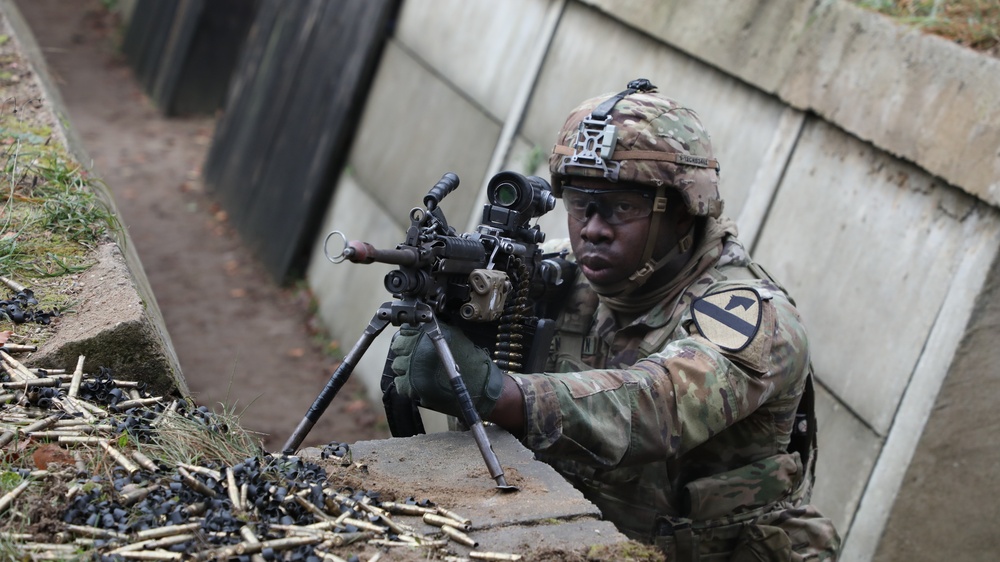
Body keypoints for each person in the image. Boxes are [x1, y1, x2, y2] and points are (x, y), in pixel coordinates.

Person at [388, 79, 841, 560]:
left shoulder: (750, 316)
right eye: (580, 205)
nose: (593, 229)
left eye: (622, 207)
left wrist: (501, 392)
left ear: (685, 212)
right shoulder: (557, 276)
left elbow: (658, 405)